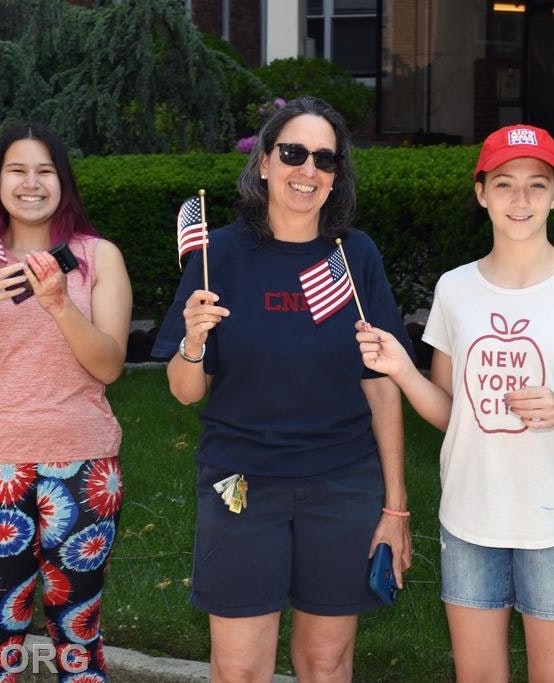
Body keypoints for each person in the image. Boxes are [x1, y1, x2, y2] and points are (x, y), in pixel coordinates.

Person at [152, 96, 413, 682]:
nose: (309, 170)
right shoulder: (218, 255)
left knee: (327, 663)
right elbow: (185, 391)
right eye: (293, 153)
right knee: (240, 668)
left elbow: (382, 386)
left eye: (325, 159)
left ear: (337, 176)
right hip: (241, 482)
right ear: (265, 163)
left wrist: (395, 506)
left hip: (342, 483)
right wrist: (194, 339)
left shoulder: (355, 255)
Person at [356, 124, 554, 682]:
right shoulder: (456, 289)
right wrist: (402, 370)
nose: (519, 200)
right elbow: (451, 413)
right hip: (469, 518)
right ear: (481, 193)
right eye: (504, 184)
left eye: (536, 185)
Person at [0, 122, 131, 682]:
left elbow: (109, 365)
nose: (32, 183)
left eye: (45, 170)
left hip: (83, 463)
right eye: (18, 170)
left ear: (63, 182)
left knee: (78, 634)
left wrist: (61, 307)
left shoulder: (99, 258)